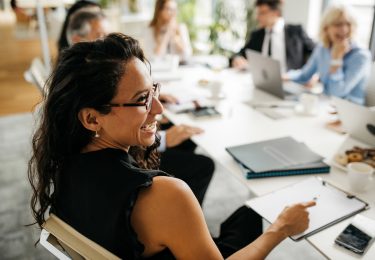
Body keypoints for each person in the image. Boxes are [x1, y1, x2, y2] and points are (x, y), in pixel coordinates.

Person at [28, 33, 315, 259]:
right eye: (142, 99)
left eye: (154, 90)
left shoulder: (64, 162)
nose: (158, 109)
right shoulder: (167, 196)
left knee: (250, 212)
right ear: (92, 118)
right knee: (258, 218)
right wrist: (281, 230)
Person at [64, 5, 214, 206]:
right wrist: (165, 139)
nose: (107, 42)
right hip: (142, 170)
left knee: (188, 141)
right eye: (101, 36)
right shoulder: (82, 89)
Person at [285, 5, 371, 105]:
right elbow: (304, 75)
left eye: (348, 24)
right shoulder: (322, 48)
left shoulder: (361, 56)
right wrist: (286, 76)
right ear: (326, 28)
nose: (344, 29)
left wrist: (336, 60)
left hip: (348, 109)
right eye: (338, 24)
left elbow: (337, 93)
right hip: (325, 103)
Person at [230, 0, 315, 72]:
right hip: (263, 83)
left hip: (290, 82)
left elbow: (315, 52)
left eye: (262, 13)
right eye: (258, 13)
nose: (258, 17)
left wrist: (310, 72)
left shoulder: (296, 32)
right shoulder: (257, 35)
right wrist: (237, 59)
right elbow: (241, 53)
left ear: (276, 13)